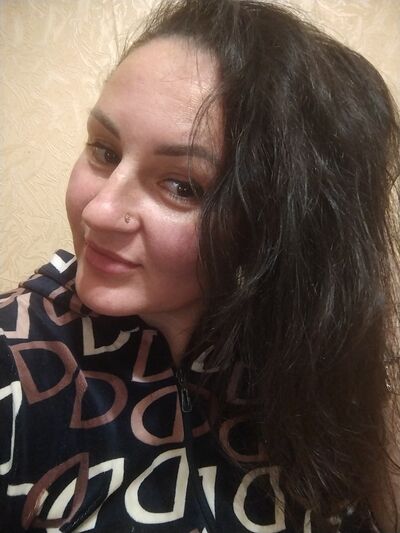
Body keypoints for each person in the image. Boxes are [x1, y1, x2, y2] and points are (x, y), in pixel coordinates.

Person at [1, 0, 399, 531]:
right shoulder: (16, 365)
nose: (98, 211)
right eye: (104, 150)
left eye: (181, 185)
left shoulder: (305, 358)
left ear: (273, 221)